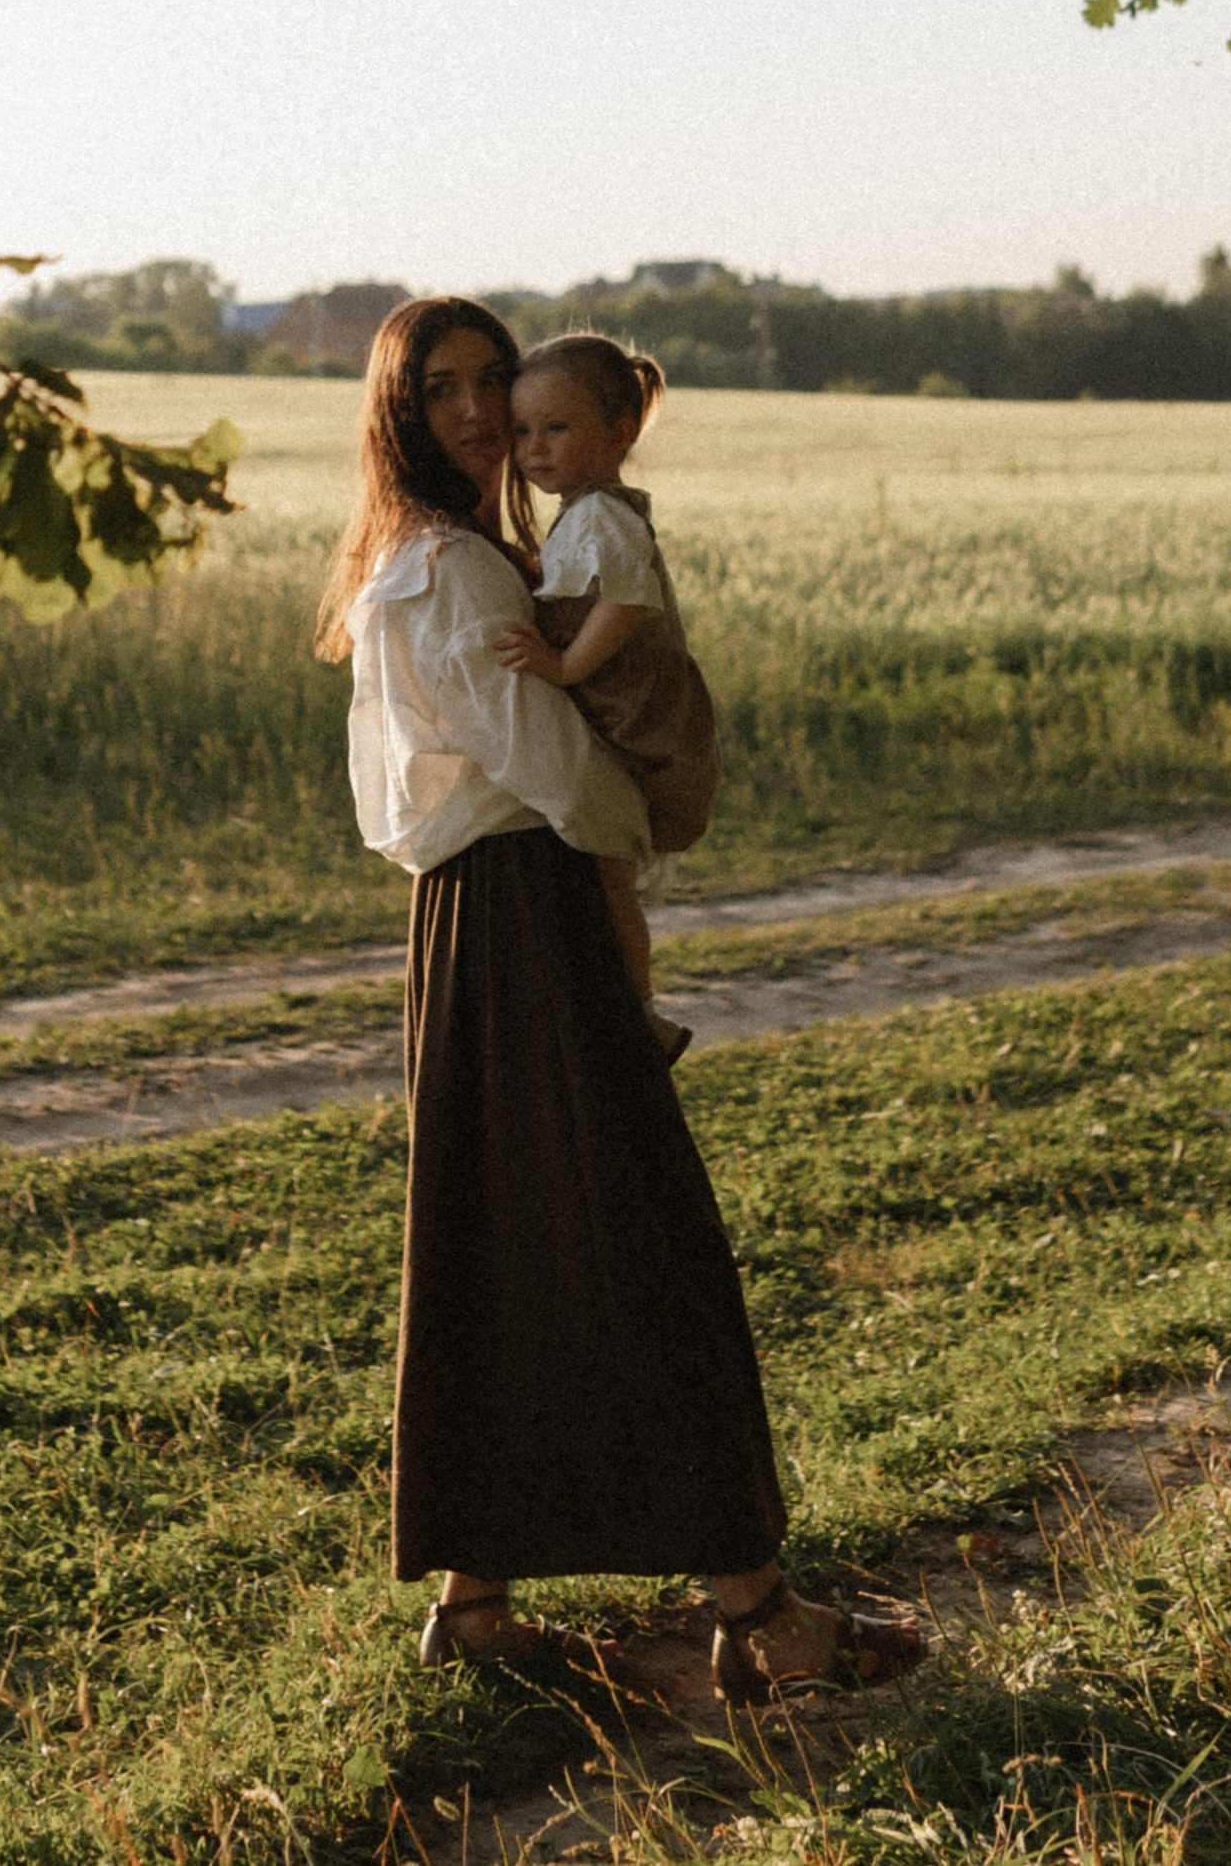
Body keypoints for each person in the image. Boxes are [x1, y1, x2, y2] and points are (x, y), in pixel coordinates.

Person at [319, 296, 918, 1699]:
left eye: (493, 386)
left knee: (496, 1245)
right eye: (444, 392)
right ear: (399, 414)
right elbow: (554, 765)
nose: (474, 415)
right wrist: (647, 819)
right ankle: (759, 1614)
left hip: (471, 923)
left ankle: (476, 1603)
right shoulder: (457, 570)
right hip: (531, 906)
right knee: (646, 1246)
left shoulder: (422, 557)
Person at [490, 333, 719, 1048]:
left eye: (557, 428)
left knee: (609, 868)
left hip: (637, 717)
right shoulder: (585, 513)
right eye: (522, 430)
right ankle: (625, 1005)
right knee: (600, 863)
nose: (534, 448)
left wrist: (561, 669)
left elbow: (624, 602)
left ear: (619, 432)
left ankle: (637, 1010)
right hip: (620, 711)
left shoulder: (600, 516)